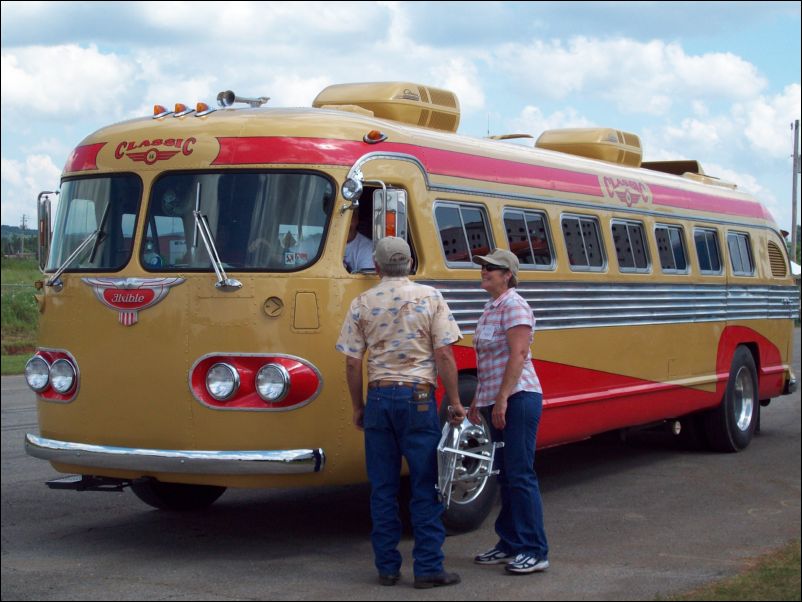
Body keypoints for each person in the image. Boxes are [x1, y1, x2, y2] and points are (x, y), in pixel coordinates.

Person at [336, 236, 466, 589]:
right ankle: (427, 568)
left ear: (376, 267)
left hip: (379, 398)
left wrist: (358, 406)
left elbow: (351, 362)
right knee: (425, 485)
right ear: (410, 264)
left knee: (382, 487)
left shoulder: (362, 302)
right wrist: (454, 402)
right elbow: (444, 355)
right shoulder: (430, 297)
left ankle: (387, 568)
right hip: (419, 399)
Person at [467, 248, 549, 575]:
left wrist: (501, 399)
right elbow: (489, 361)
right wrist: (478, 400)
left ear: (508, 275)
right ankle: (510, 542)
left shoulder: (514, 305)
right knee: (506, 474)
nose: (485, 271)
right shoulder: (491, 307)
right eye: (484, 266)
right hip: (499, 398)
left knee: (520, 473)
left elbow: (518, 356)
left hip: (519, 398)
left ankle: (535, 549)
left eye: (493, 268)